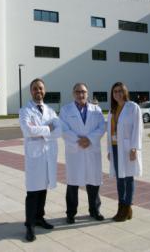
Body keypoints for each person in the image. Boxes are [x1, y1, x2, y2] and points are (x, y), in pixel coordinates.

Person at [19, 78, 62, 242]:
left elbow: (60, 130)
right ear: (31, 91)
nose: (39, 91)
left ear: (45, 90)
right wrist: (48, 128)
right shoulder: (25, 110)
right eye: (35, 89)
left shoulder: (51, 110)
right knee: (32, 191)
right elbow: (28, 130)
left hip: (47, 154)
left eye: (41, 88)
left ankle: (39, 218)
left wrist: (42, 131)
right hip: (35, 155)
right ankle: (29, 225)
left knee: (43, 188)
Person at [59, 83, 106, 224]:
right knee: (73, 184)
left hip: (91, 150)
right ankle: (71, 213)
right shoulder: (66, 110)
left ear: (87, 93)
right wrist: (79, 140)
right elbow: (63, 129)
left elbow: (102, 126)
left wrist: (90, 139)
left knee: (93, 183)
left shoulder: (96, 110)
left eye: (83, 92)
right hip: (75, 151)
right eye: (78, 92)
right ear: (73, 94)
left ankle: (94, 210)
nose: (81, 95)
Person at [106, 82, 143, 222]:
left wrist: (134, 147)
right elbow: (110, 132)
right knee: (119, 179)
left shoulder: (133, 107)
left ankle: (127, 207)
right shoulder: (112, 110)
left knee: (128, 177)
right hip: (115, 147)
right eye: (115, 91)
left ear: (125, 92)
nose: (117, 94)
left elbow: (138, 128)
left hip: (128, 147)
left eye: (120, 91)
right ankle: (122, 207)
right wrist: (109, 150)